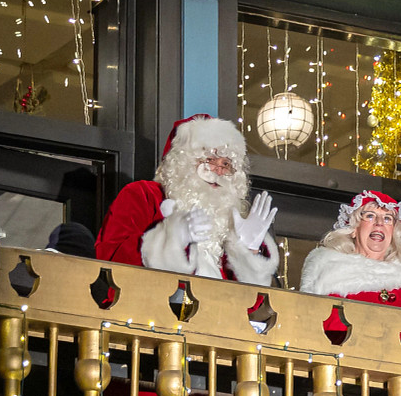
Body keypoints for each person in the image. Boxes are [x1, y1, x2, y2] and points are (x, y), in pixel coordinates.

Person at [96, 114, 280, 284]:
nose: (218, 170)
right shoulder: (144, 195)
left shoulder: (229, 222)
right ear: (184, 160)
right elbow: (109, 262)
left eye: (226, 164)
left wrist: (247, 253)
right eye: (210, 158)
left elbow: (248, 306)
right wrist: (171, 239)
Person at [296, 190, 401, 311]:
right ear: (354, 230)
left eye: (387, 218)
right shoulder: (328, 272)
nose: (379, 223)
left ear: (394, 233)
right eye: (370, 216)